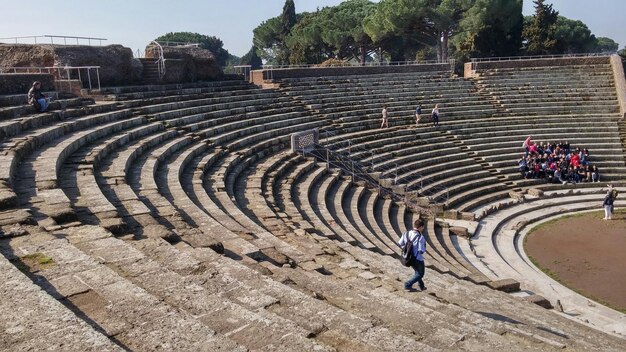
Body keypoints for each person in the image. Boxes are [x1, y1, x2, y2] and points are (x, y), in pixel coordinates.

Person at [398, 218, 427, 291]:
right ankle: (408, 284)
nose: (423, 228)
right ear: (420, 227)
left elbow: (400, 243)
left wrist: (407, 250)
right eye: (423, 227)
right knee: (420, 273)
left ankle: (421, 286)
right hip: (417, 259)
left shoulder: (406, 233)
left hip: (408, 257)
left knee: (417, 271)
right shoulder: (420, 237)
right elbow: (421, 250)